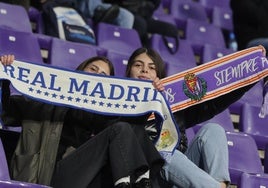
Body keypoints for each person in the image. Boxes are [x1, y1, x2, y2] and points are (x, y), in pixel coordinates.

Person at [0, 55, 164, 188]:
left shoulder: (103, 114)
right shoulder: (43, 101)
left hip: (83, 179)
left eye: (103, 75)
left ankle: (139, 181)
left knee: (123, 129)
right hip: (46, 177)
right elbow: (5, 112)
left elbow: (131, 130)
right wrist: (4, 80)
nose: (96, 75)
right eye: (93, 69)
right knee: (120, 129)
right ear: (79, 71)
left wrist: (149, 96)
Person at [123, 47, 266, 187]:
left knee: (213, 130)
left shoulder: (172, 104)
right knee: (164, 152)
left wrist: (251, 74)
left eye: (152, 67)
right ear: (129, 70)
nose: (145, 70)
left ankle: (221, 185)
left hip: (179, 176)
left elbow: (213, 104)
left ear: (159, 75)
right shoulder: (117, 105)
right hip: (149, 176)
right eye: (138, 65)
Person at [104, 0, 179, 47]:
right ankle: (137, 51)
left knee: (171, 30)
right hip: (124, 11)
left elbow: (154, 5)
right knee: (141, 25)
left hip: (143, 15)